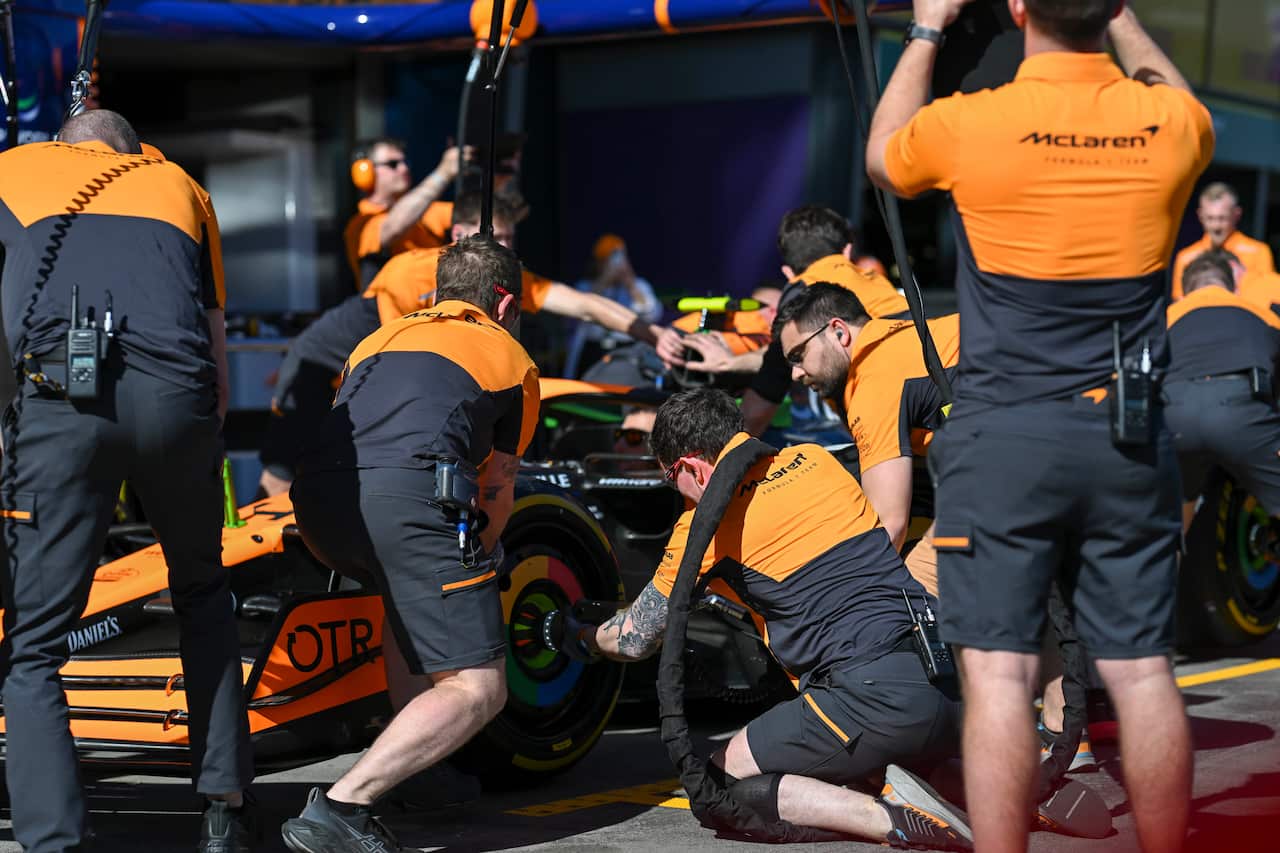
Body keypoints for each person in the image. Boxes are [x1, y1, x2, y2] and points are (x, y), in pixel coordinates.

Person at [866, 4, 1213, 853]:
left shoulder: (973, 122)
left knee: (998, 677)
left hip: (1003, 439)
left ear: (1018, 8)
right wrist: (1123, 16)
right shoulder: (1169, 123)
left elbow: (883, 153)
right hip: (1126, 436)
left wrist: (926, 27)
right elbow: (1175, 90)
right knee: (1141, 672)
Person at [550, 388, 970, 850]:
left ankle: (893, 819)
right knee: (881, 753)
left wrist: (580, 636)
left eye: (672, 479)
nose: (677, 493)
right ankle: (978, 789)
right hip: (944, 680)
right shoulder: (814, 459)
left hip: (868, 698)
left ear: (691, 467)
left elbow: (634, 639)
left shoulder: (702, 528)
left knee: (721, 785)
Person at [0, 109, 254, 852]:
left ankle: (54, 840)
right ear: (131, 150)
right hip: (180, 398)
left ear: (66, 145)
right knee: (204, 596)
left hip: (63, 404)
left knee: (37, 642)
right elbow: (217, 348)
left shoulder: (14, 170)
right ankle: (225, 809)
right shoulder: (180, 185)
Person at [774, 283, 1097, 798]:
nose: (795, 373)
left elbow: (888, 523)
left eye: (797, 355)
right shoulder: (911, 332)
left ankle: (935, 742)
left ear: (837, 332)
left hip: (1038, 456)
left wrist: (826, 593)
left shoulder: (873, 376)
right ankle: (1064, 735)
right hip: (1095, 440)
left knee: (915, 591)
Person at [282, 236, 537, 853]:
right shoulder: (509, 355)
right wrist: (483, 560)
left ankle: (419, 773)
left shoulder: (377, 339)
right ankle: (344, 806)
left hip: (318, 505)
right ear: (504, 304)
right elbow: (496, 489)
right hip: (407, 500)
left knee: (408, 611)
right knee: (479, 686)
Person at [259, 192, 673, 496]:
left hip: (367, 374)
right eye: (497, 236)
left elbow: (584, 304)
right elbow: (400, 359)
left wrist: (654, 334)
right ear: (457, 234)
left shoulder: (503, 274)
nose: (506, 247)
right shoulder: (409, 270)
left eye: (511, 238)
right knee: (285, 476)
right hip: (321, 367)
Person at [673, 206, 911, 435]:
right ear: (848, 252)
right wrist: (733, 362)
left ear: (787, 272)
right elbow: (786, 359)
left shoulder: (803, 296)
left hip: (892, 420)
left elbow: (759, 408)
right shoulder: (878, 283)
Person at [1166, 252, 1280, 527]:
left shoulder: (1167, 317)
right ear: (1234, 287)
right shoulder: (1262, 315)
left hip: (1176, 415)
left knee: (1175, 521)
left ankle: (1176, 557)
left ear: (1183, 292)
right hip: (1241, 411)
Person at [343, 137, 461, 288]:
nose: (404, 168)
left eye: (405, 162)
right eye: (393, 164)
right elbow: (392, 228)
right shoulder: (360, 224)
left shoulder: (428, 209)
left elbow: (473, 215)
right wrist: (443, 173)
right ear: (365, 172)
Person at [563, 234, 663, 378]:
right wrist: (605, 279)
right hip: (593, 350)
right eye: (607, 261)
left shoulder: (639, 285)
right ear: (598, 263)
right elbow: (577, 310)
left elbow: (652, 313)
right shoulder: (585, 286)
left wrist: (630, 283)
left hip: (626, 350)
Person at [1171, 182, 1275, 301]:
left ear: (1236, 215)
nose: (1216, 226)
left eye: (1222, 218)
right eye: (1210, 218)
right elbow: (1180, 301)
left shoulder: (1258, 252)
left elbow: (1267, 297)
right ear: (1200, 216)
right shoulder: (1186, 257)